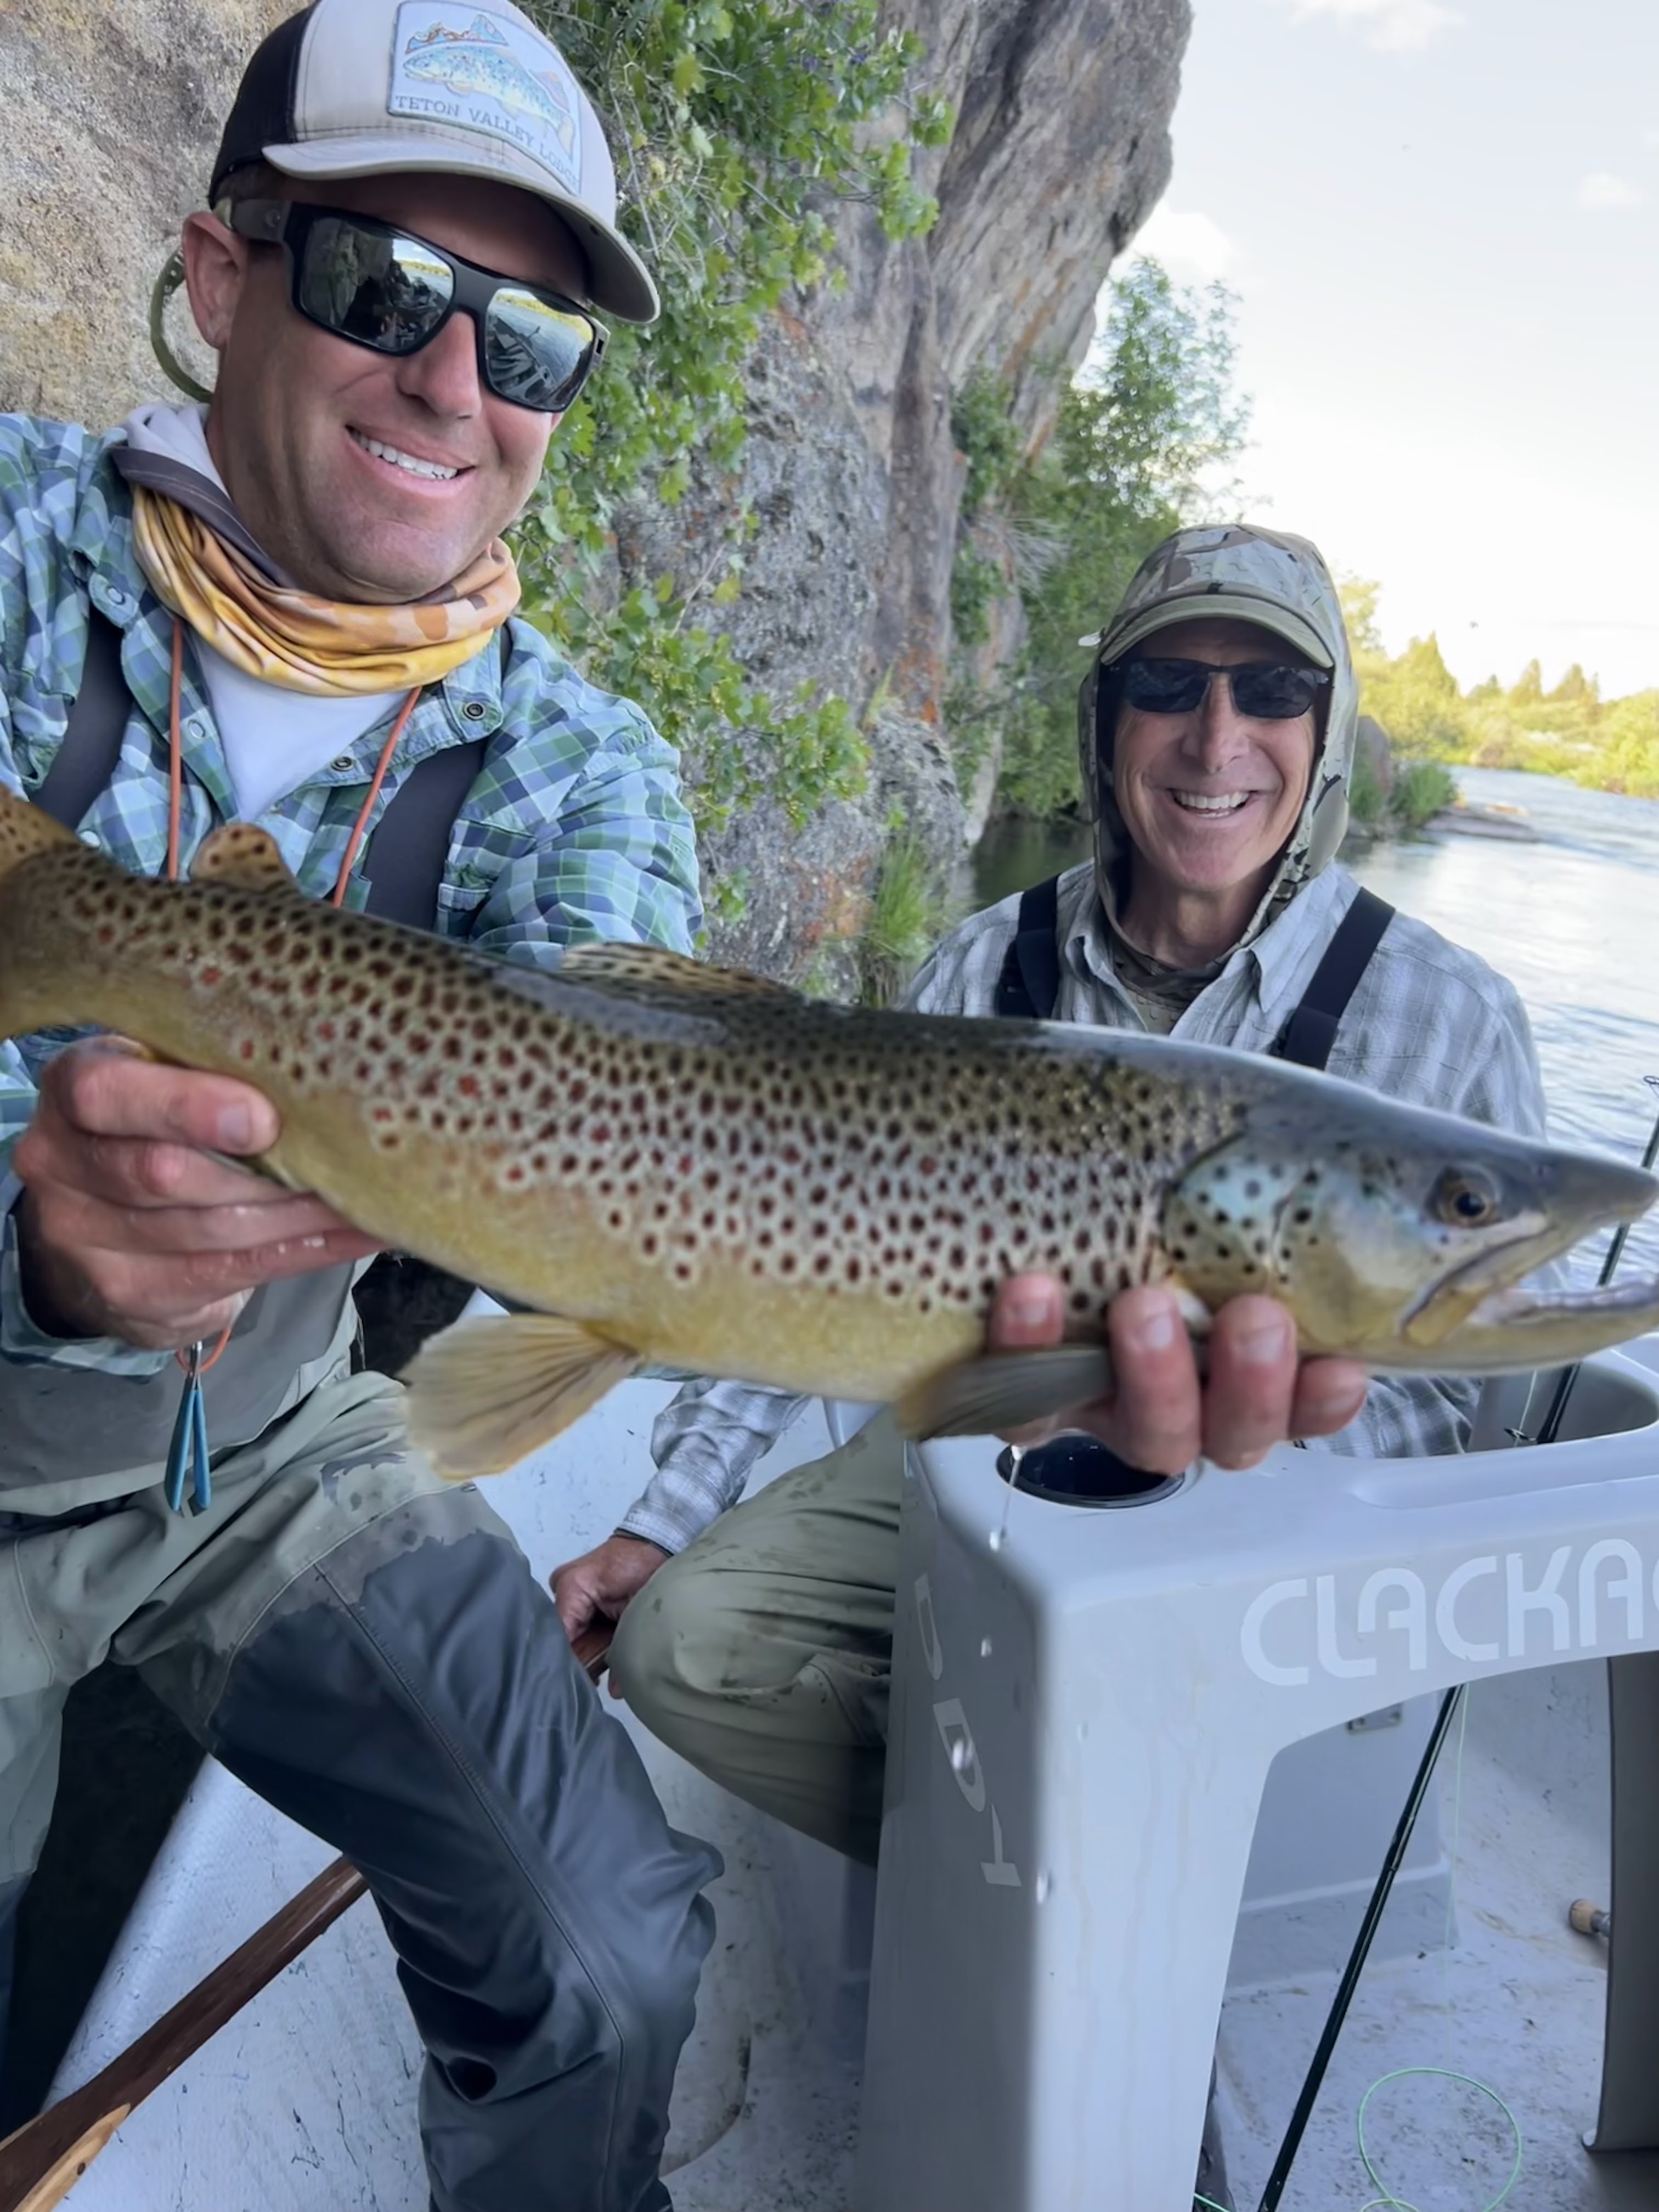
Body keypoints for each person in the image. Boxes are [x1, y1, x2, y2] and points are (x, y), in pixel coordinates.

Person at [0, 4, 724, 2207]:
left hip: (278, 1446)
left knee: (610, 1956)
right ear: (223, 275)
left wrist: (1048, 1385)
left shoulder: (582, 772)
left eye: (530, 347)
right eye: (381, 288)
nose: (453, 383)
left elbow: (646, 1121)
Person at [554, 522, 1549, 1861]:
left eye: (1268, 693)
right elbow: (803, 1262)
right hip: (980, 1470)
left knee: (1141, 1703)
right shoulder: (979, 969)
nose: (1215, 739)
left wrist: (1211, 1451)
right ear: (1106, 720)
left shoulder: (1453, 1018)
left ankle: (1073, 1830)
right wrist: (657, 1523)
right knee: (682, 1653)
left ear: (1327, 732)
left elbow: (1474, 1408)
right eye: (1166, 685)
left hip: (1277, 1533)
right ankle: (1011, 1856)